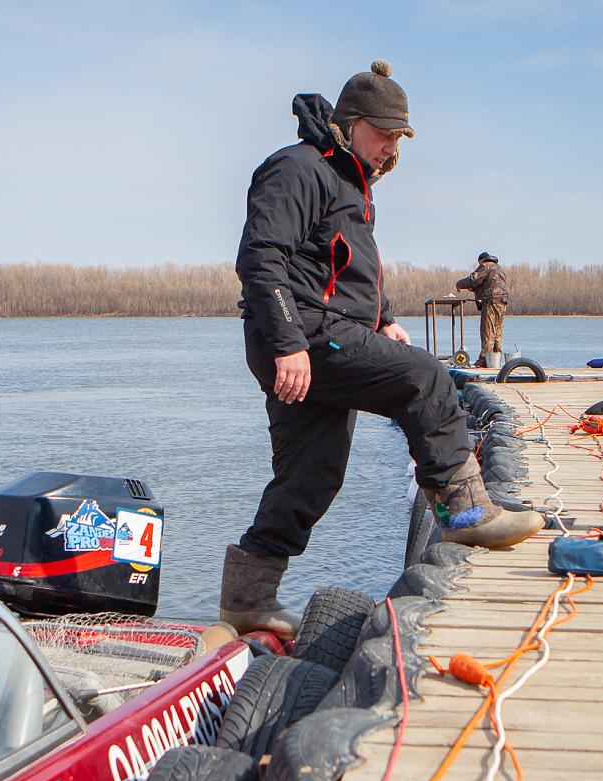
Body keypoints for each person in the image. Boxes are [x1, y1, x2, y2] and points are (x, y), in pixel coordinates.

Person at [221, 62, 543, 637]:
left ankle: (247, 597)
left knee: (310, 475)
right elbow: (262, 260)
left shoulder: (353, 183)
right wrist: (290, 345)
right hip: (301, 335)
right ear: (353, 124)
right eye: (387, 134)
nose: (395, 147)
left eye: (401, 138)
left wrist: (386, 319)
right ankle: (466, 511)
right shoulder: (297, 169)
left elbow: (348, 267)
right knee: (424, 380)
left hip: (322, 332)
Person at [456, 252, 509, 362]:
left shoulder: (486, 266)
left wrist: (460, 284)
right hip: (502, 302)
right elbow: (488, 284)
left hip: (491, 302)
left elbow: (473, 279)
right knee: (498, 332)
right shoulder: (499, 268)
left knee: (488, 331)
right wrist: (474, 289)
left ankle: (484, 360)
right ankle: (496, 360)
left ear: (481, 260)